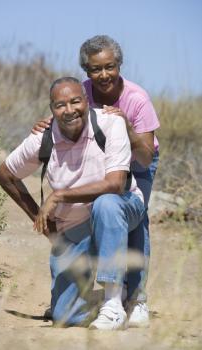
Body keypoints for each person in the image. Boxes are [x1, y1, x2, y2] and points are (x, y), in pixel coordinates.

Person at [0, 77, 145, 330]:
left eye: (75, 101)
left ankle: (112, 303)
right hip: (75, 226)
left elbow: (116, 184)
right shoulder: (43, 138)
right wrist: (41, 220)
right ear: (51, 109)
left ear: (87, 101)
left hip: (121, 209)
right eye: (60, 105)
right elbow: (5, 174)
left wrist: (58, 196)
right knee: (64, 315)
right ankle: (103, 300)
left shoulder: (111, 123)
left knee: (105, 204)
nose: (69, 110)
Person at [32, 35, 160, 327]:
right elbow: (67, 111)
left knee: (135, 219)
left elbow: (143, 156)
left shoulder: (137, 99)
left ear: (119, 65)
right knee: (101, 210)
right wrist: (46, 124)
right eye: (95, 69)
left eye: (109, 67)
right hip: (103, 156)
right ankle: (94, 295)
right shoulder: (84, 91)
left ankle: (136, 299)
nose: (103, 75)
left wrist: (126, 127)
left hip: (137, 159)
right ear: (86, 71)